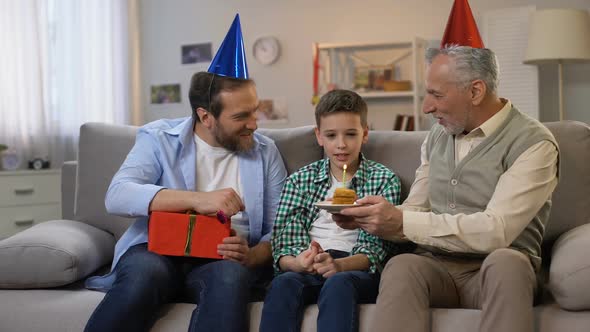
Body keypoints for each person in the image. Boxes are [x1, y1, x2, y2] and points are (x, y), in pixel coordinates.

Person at [334, 45, 559, 332]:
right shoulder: (438, 136)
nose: (426, 106)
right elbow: (416, 207)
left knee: (507, 262)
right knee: (403, 265)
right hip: (437, 267)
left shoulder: (534, 143)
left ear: (475, 91)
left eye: (437, 95)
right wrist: (370, 217)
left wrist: (402, 221)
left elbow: (497, 230)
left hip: (496, 270)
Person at [83, 71, 287, 331]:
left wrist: (253, 255)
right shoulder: (158, 138)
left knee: (230, 278)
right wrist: (199, 200)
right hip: (156, 250)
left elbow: (282, 228)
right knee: (142, 276)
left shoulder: (266, 152)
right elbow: (117, 195)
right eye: (241, 116)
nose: (254, 124)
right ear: (206, 117)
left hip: (222, 260)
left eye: (254, 111)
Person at [259, 89, 408, 332]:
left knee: (338, 285)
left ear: (365, 134)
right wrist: (300, 262)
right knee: (283, 285)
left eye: (351, 134)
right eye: (331, 135)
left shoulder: (383, 180)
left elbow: (377, 249)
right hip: (308, 261)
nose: (341, 144)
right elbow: (283, 244)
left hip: (354, 268)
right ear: (319, 136)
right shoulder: (300, 180)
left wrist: (340, 265)